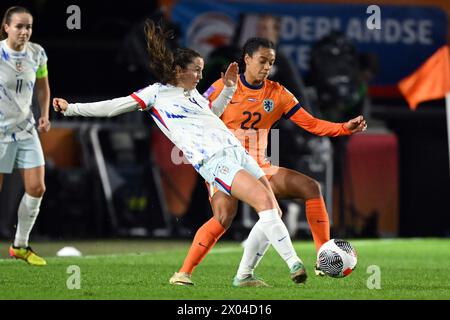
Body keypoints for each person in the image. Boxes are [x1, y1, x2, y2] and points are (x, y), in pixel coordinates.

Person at [53, 20, 308, 287]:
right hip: (214, 160)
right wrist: (72, 108)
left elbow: (213, 115)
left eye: (201, 70)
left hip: (237, 152)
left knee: (255, 214)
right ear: (178, 70)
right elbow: (112, 107)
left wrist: (230, 88)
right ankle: (294, 264)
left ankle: (231, 275)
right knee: (263, 204)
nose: (200, 76)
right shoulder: (156, 94)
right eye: (196, 70)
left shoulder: (194, 95)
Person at [173, 37, 367, 287]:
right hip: (225, 166)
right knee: (223, 217)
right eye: (262, 61)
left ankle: (322, 257)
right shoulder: (224, 86)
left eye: (271, 62)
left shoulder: (278, 93)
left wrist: (344, 127)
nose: (267, 67)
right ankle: (184, 272)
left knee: (309, 188)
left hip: (258, 167)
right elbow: (198, 117)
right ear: (247, 59)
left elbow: (311, 123)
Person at [0, 6, 51, 266]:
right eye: (19, 26)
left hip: (26, 129)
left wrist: (44, 113)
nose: (24, 31)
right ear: (6, 27)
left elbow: (42, 86)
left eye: (28, 26)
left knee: (36, 187)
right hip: (0, 132)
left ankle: (20, 246)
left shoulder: (37, 53)